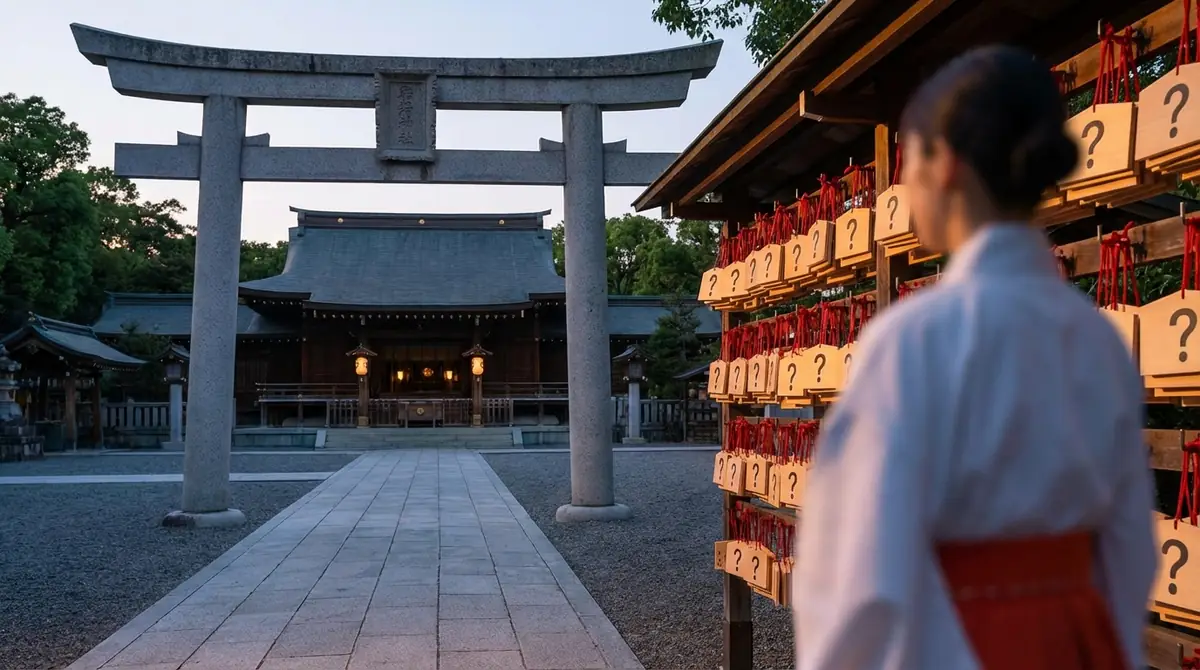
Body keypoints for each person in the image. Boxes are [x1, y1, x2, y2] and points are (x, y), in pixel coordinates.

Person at [790, 45, 1156, 670]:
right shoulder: (1097, 338)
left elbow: (858, 574)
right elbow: (1128, 548)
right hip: (1078, 637)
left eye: (909, 161)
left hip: (956, 639)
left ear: (945, 162)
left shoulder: (912, 339)